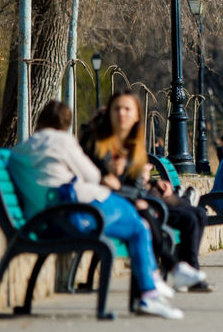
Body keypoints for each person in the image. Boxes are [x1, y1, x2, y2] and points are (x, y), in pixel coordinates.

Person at [9, 100, 183, 319]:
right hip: (74, 217)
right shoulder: (63, 141)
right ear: (65, 124)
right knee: (139, 226)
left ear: (40, 120)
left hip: (40, 222)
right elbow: (92, 176)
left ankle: (152, 280)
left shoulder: (19, 151)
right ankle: (150, 288)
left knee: (136, 219)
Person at [80, 90, 210, 292]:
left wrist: (151, 184)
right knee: (149, 213)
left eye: (127, 109)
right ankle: (176, 270)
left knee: (196, 213)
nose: (121, 114)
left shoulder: (131, 145)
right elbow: (103, 182)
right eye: (117, 109)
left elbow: (128, 182)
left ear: (137, 116)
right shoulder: (97, 141)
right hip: (103, 206)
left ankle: (183, 272)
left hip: (130, 201)